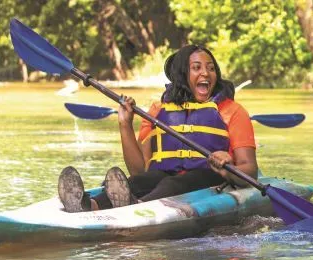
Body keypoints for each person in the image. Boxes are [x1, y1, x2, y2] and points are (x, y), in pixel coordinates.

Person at [58, 45, 258, 212]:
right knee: (140, 181)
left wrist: (227, 165)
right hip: (165, 178)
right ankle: (89, 205)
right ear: (182, 74)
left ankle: (137, 207)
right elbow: (138, 170)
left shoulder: (233, 111)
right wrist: (125, 124)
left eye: (211, 68)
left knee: (173, 184)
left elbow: (250, 171)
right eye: (196, 68)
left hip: (212, 179)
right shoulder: (158, 111)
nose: (205, 73)